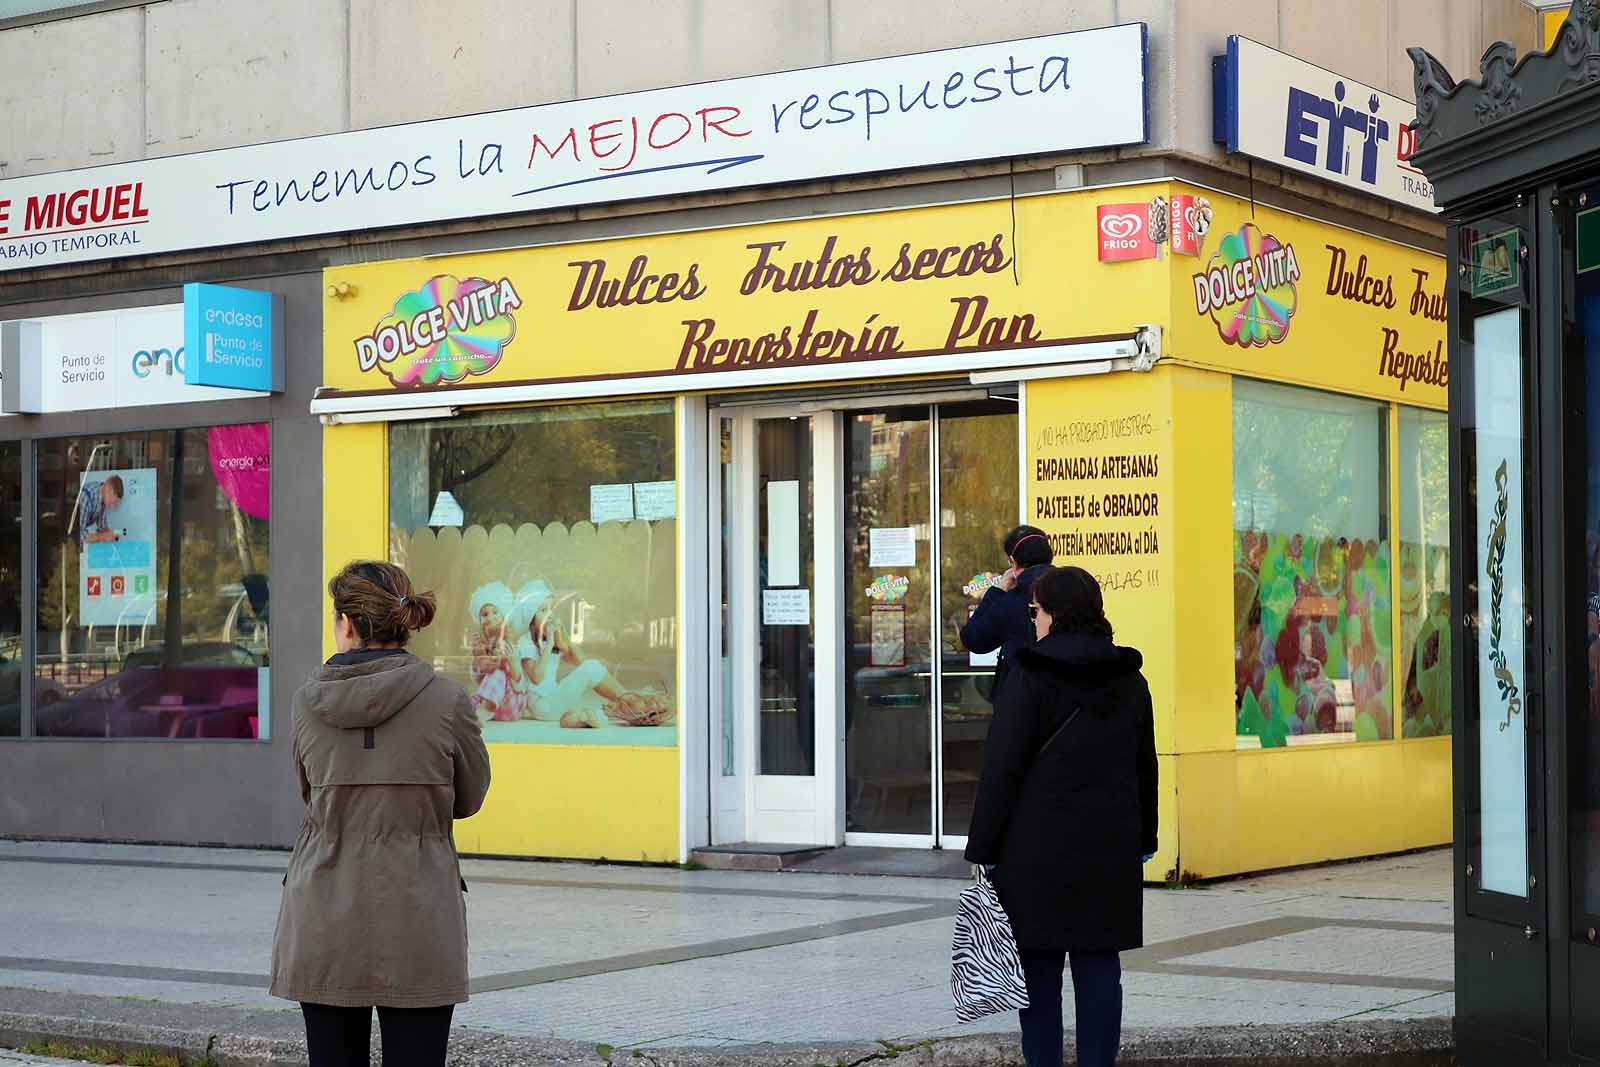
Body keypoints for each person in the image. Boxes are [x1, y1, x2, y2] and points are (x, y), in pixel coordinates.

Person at [270, 560, 491, 1067]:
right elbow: (470, 798)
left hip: (322, 908)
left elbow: (309, 794)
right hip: (420, 911)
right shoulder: (448, 701)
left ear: (347, 624)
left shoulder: (306, 703)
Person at [964, 566, 1158, 1067]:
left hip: (1035, 853)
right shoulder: (1130, 680)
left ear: (1055, 613)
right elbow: (1145, 768)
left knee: (1040, 977)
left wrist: (982, 848)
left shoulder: (1030, 675)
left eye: (1036, 611)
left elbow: (1001, 768)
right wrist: (1145, 840)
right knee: (1099, 971)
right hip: (1109, 851)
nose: (1034, 621)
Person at [959, 524, 1054, 696]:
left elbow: (973, 639)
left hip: (1020, 700)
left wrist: (998, 590)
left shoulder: (1010, 601)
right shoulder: (1075, 589)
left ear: (1013, 562)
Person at [75, 475, 125, 546]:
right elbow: (80, 535)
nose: (112, 506)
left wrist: (110, 535)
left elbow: (102, 527)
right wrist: (103, 536)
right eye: (112, 502)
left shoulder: (103, 499)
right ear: (108, 490)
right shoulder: (86, 496)